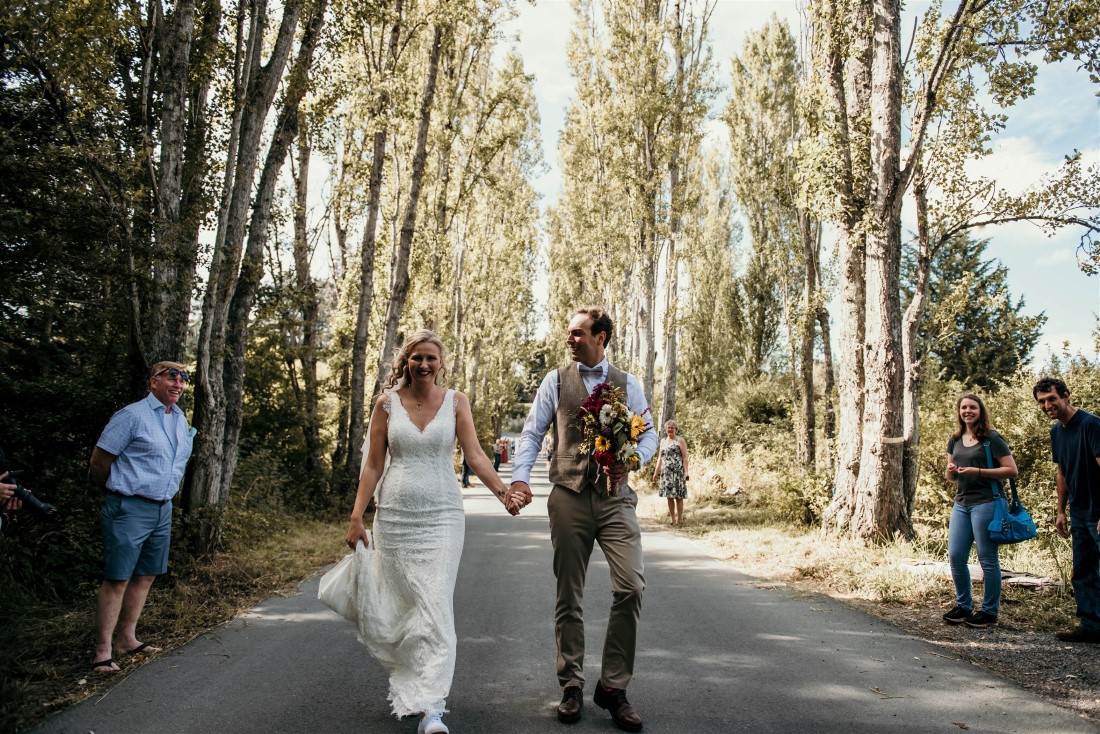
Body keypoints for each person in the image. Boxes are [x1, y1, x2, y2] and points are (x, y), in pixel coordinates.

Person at [345, 330, 518, 734]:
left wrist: (504, 493)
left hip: (442, 516)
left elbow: (474, 454)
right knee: (406, 607)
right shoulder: (386, 405)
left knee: (435, 604)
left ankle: (433, 708)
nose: (424, 365)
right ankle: (412, 685)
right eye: (417, 358)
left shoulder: (456, 402)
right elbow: (372, 465)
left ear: (441, 364)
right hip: (395, 516)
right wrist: (356, 516)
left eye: (431, 359)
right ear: (405, 361)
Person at [509, 306, 657, 732]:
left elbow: (647, 430)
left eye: (577, 333)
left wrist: (633, 460)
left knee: (631, 586)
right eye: (568, 333)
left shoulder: (629, 384)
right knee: (568, 594)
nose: (569, 339)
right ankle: (571, 683)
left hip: (615, 499)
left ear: (601, 337)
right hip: (569, 495)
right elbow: (533, 432)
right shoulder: (555, 380)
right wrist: (520, 480)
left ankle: (613, 687)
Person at [88, 361, 195, 673]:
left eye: (183, 378)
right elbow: (99, 460)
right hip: (129, 506)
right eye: (171, 376)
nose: (178, 383)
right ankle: (103, 651)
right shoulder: (131, 416)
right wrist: (114, 492)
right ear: (153, 382)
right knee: (118, 577)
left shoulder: (178, 418)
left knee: (146, 574)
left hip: (162, 508)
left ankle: (127, 639)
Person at [941, 393, 1018, 629]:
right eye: (964, 408)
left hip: (988, 503)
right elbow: (950, 475)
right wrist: (953, 470)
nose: (968, 411)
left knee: (987, 559)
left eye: (972, 407)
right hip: (962, 504)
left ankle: (989, 612)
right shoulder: (955, 440)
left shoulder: (992, 439)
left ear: (980, 411)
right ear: (959, 411)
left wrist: (977, 471)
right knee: (955, 556)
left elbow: (1011, 470)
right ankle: (964, 606)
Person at [1034, 376, 1100, 643]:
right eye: (1042, 401)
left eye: (1052, 398)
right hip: (1079, 511)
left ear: (1066, 396)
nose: (1048, 404)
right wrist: (1060, 511)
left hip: (1098, 511)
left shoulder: (1091, 425)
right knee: (1083, 570)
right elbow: (1062, 472)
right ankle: (1091, 627)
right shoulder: (1056, 432)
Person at [651, 420, 689, 527]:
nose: (670, 429)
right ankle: (672, 519)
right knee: (669, 496)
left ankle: (680, 520)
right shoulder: (663, 441)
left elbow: (685, 457)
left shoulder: (680, 440)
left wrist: (686, 472)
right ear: (666, 429)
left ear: (676, 429)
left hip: (677, 473)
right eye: (668, 427)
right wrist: (656, 472)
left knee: (679, 496)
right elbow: (660, 458)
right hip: (666, 473)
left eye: (672, 427)